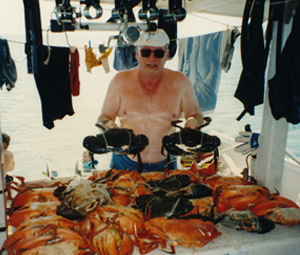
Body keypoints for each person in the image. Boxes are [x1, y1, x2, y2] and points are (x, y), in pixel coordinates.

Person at [97, 29, 204, 172]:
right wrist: (108, 125)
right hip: (124, 163)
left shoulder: (181, 82)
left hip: (165, 164)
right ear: (137, 53)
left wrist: (193, 122)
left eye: (158, 53)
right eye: (146, 52)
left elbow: (196, 115)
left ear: (166, 55)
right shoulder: (120, 81)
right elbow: (103, 118)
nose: (152, 58)